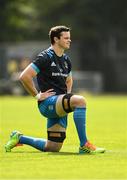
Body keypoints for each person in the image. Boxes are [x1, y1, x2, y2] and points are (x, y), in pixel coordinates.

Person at [5, 25, 105, 154]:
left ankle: (19, 137)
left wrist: (67, 98)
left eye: (70, 38)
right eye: (66, 38)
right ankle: (84, 145)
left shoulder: (66, 60)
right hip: (47, 104)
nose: (70, 40)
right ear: (56, 39)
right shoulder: (45, 57)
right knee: (80, 101)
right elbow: (24, 76)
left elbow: (69, 80)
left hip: (59, 104)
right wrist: (37, 96)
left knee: (53, 147)